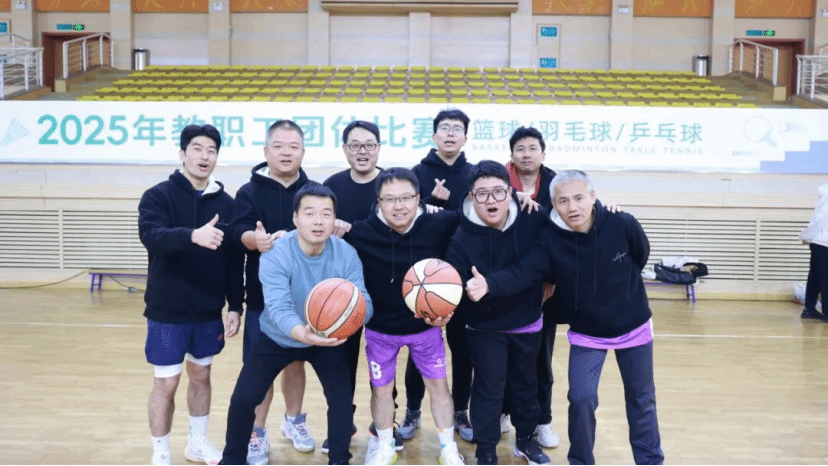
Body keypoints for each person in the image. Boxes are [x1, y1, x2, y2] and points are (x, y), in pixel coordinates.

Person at [466, 170, 665, 465]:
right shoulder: (549, 237)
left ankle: (650, 461)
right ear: (554, 205)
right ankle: (581, 460)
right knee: (581, 399)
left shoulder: (621, 223)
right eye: (563, 201)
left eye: (579, 198)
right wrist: (489, 284)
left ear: (593, 197)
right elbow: (524, 270)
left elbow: (640, 254)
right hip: (587, 333)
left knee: (642, 400)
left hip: (634, 327)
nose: (572, 207)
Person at [222, 183, 373, 466]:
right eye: (310, 213)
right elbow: (278, 307)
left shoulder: (346, 253)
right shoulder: (277, 252)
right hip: (277, 336)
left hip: (327, 338)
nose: (318, 221)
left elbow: (363, 299)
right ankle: (232, 460)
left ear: (334, 219)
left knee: (341, 401)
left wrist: (351, 319)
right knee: (243, 399)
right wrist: (302, 332)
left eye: (326, 214)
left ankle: (339, 460)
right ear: (295, 218)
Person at [137, 124, 244, 466]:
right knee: (166, 384)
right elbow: (151, 236)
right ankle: (160, 451)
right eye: (197, 149)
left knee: (201, 377)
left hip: (207, 311)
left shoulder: (227, 204)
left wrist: (235, 305)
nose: (204, 156)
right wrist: (191, 236)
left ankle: (197, 443)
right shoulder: (158, 196)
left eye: (211, 150)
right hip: (167, 311)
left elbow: (234, 261)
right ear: (182, 154)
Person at [344, 168, 466, 465]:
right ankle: (385, 446)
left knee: (439, 387)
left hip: (425, 328)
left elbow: (479, 217)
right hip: (379, 330)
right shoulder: (361, 232)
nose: (398, 206)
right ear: (378, 202)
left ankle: (448, 448)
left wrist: (518, 200)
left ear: (418, 198)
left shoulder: (440, 223)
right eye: (389, 199)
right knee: (381, 390)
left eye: (405, 198)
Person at [444, 161, 551, 466]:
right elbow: (455, 282)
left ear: (511, 192)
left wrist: (490, 284)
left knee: (526, 385)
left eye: (498, 192)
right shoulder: (461, 238)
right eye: (482, 194)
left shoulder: (533, 217)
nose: (491, 200)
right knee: (488, 388)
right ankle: (486, 449)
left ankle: (526, 440)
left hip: (527, 321)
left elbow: (537, 265)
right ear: (471, 197)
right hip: (484, 327)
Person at [230, 120, 314, 464]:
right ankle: (256, 433)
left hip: (303, 302)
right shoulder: (248, 192)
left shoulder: (314, 191)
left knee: (295, 363)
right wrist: (255, 239)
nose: (286, 153)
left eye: (293, 146)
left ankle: (293, 421)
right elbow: (237, 232)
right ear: (266, 151)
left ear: (303, 152)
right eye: (278, 146)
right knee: (259, 370)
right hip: (262, 302)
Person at [322, 120, 404, 453]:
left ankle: (385, 424)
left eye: (369, 144)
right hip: (341, 293)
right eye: (355, 145)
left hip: (385, 290)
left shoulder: (391, 185)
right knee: (340, 365)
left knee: (384, 365)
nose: (362, 151)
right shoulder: (331, 187)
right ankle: (342, 423)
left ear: (379, 148)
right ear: (345, 149)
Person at [406, 108, 476, 442]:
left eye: (457, 128)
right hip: (423, 277)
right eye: (444, 128)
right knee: (418, 349)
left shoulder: (475, 174)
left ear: (465, 137)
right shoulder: (417, 173)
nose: (450, 133)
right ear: (434, 135)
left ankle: (460, 411)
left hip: (463, 275)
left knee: (463, 351)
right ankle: (412, 410)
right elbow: (404, 215)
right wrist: (430, 200)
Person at [502, 126, 560, 448]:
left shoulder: (556, 185)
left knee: (541, 360)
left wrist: (552, 279)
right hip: (504, 284)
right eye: (520, 148)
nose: (526, 154)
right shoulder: (497, 182)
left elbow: (564, 234)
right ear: (512, 153)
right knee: (501, 357)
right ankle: (503, 411)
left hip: (543, 288)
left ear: (543, 153)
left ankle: (543, 420)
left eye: (532, 148)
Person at [800, 182, 828, 321]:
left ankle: (809, 310)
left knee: (815, 277)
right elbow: (821, 220)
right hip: (824, 242)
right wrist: (806, 235)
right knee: (824, 278)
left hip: (819, 242)